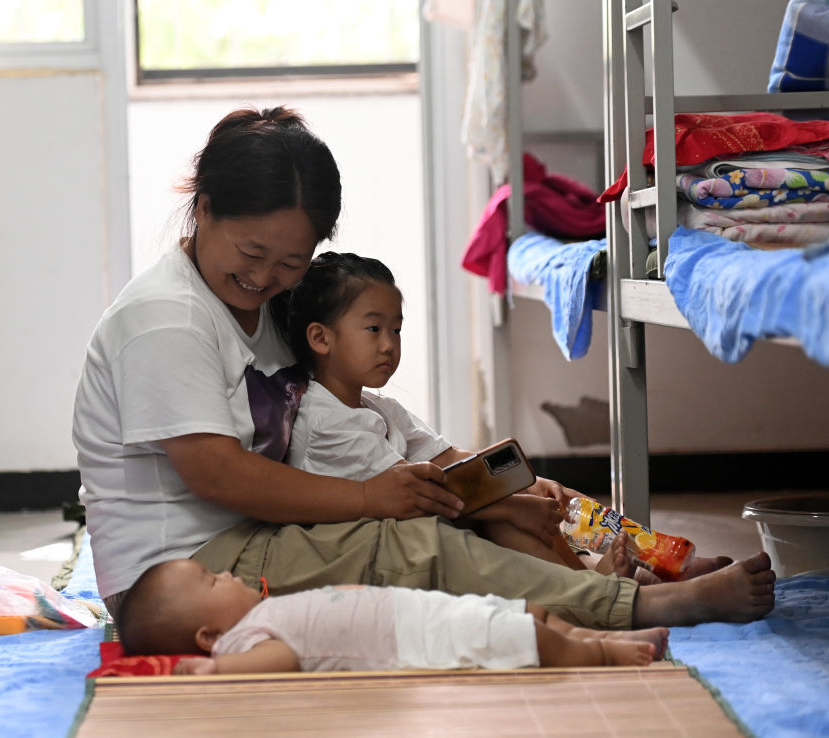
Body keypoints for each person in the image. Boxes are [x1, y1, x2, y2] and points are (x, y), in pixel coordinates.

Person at [71, 104, 775, 634]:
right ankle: (633, 605)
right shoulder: (166, 316)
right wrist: (374, 500)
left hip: (258, 528)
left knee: (511, 485)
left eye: (290, 262)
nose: (263, 277)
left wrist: (483, 485)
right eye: (251, 253)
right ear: (203, 208)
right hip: (182, 571)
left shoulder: (275, 310)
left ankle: (637, 563)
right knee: (414, 544)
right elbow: (218, 474)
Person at [277, 250, 731, 584]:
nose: (390, 344)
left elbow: (452, 459)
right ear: (320, 338)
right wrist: (514, 503)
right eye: (374, 329)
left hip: (416, 518)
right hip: (376, 551)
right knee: (507, 515)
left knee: (547, 493)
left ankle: (666, 560)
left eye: (396, 329)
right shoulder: (326, 421)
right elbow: (418, 493)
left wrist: (528, 483)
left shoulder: (377, 407)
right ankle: (597, 586)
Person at [118, 559, 670, 673]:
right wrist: (216, 672)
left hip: (416, 610)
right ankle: (597, 652)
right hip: (412, 638)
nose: (228, 574)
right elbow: (282, 659)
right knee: (520, 633)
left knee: (527, 611)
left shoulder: (257, 612)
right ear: (207, 635)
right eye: (213, 582)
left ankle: (592, 632)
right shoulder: (238, 645)